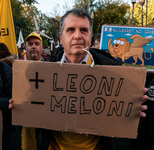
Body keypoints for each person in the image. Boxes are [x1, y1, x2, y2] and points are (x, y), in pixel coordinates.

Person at [10, 8, 148, 150]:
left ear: (90, 36)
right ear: (61, 38)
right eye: (70, 30)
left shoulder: (116, 74)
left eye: (83, 30)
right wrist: (20, 106)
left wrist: (135, 108)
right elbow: (30, 124)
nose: (77, 36)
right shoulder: (42, 74)